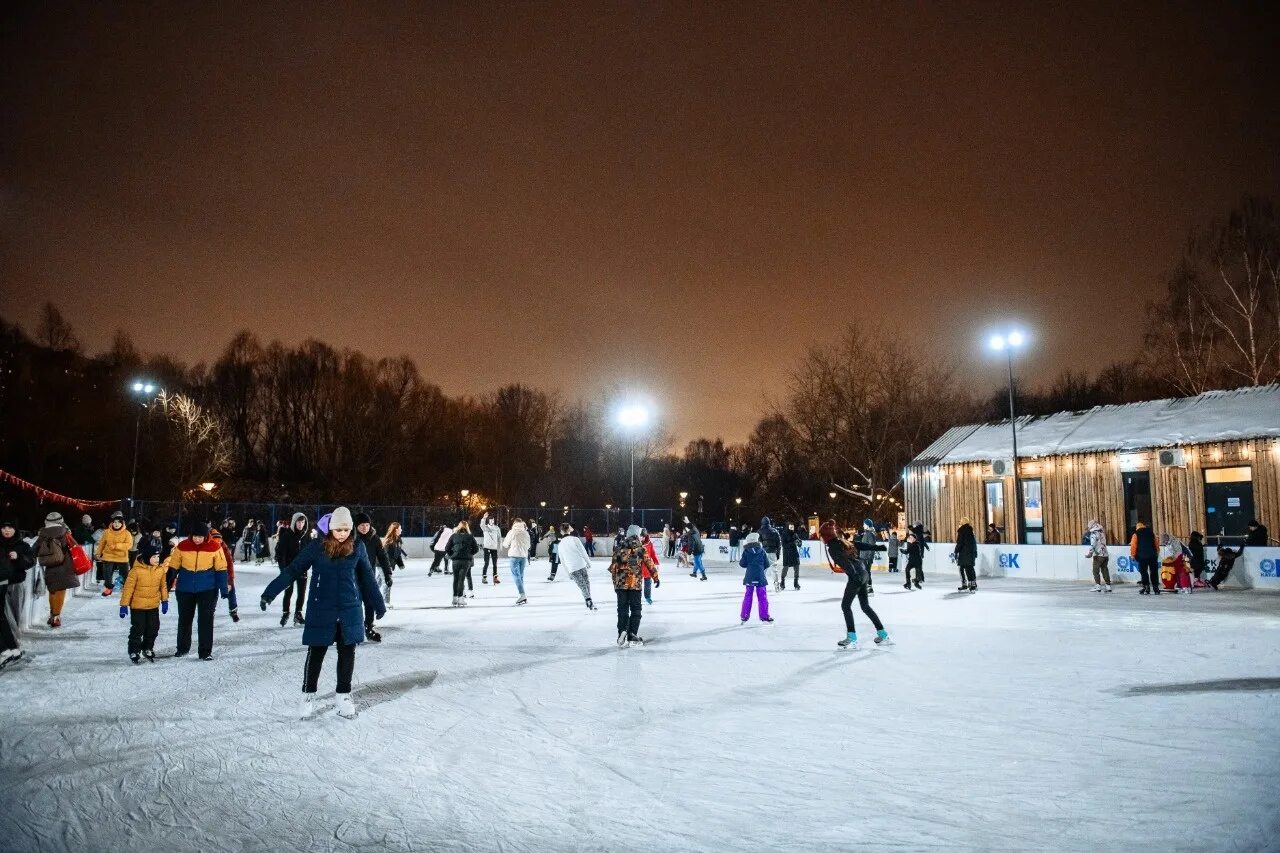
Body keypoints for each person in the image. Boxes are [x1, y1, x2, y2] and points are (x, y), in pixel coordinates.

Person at [260, 506, 385, 720]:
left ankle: (343, 695)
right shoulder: (317, 547)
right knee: (316, 652)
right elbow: (293, 569)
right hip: (321, 608)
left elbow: (367, 578)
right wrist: (270, 593)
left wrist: (379, 604)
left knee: (347, 653)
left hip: (349, 609)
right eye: (338, 529)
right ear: (330, 528)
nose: (343, 533)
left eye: (346, 529)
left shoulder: (358, 547)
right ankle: (308, 695)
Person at [819, 520, 890, 649]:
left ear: (825, 536)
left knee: (845, 606)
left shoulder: (833, 547)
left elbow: (845, 562)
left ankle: (851, 637)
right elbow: (859, 545)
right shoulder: (841, 541)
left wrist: (854, 575)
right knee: (865, 606)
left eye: (821, 536)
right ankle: (883, 634)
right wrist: (878, 547)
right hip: (863, 573)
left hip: (856, 576)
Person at [168, 519, 229, 660]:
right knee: (184, 619)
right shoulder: (182, 546)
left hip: (208, 589)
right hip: (185, 589)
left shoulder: (215, 547)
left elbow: (221, 568)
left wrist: (224, 588)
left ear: (206, 536)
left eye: (200, 536)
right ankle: (182, 648)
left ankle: (205, 651)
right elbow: (173, 567)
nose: (197, 539)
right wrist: (167, 585)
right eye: (195, 536)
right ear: (191, 535)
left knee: (205, 620)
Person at [119, 538, 169, 663]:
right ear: (147, 558)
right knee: (138, 629)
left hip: (153, 606)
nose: (157, 560)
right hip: (138, 606)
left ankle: (148, 647)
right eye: (154, 557)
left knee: (153, 628)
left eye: (158, 557)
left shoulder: (160, 571)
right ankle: (134, 650)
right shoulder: (135, 571)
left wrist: (165, 601)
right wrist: (124, 605)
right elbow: (128, 589)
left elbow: (163, 586)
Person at [610, 525, 656, 647]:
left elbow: (613, 567)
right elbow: (649, 563)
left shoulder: (619, 547)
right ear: (637, 534)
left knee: (622, 609)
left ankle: (622, 631)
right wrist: (655, 578)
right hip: (634, 584)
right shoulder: (640, 548)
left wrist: (615, 584)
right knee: (636, 609)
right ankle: (632, 635)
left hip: (621, 584)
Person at [35, 511, 79, 629]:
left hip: (50, 566)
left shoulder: (43, 533)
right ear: (61, 521)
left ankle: (52, 615)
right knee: (61, 590)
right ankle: (56, 616)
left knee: (53, 590)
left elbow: (35, 548)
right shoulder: (65, 531)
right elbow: (74, 545)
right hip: (65, 565)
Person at [0, 516, 34, 667]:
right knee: (3, 617)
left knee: (13, 616)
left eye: (10, 527)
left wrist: (18, 557)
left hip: (15, 585)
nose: (7, 530)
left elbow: (30, 562)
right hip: (2, 584)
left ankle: (12, 647)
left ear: (15, 529)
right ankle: (11, 648)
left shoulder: (22, 545)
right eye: (4, 527)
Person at [354, 513, 393, 636]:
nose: (365, 527)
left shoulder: (374, 538)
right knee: (355, 602)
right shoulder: (352, 538)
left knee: (369, 601)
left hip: (368, 575)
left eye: (367, 525)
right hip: (352, 575)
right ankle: (355, 624)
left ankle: (369, 624)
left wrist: (388, 574)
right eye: (361, 525)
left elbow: (383, 557)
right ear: (356, 526)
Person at [274, 513, 311, 626]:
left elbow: (309, 554)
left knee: (301, 593)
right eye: (299, 522)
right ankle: (285, 613)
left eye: (303, 522)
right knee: (288, 592)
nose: (301, 524)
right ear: (294, 522)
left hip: (301, 569)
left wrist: (306, 566)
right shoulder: (286, 535)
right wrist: (284, 569)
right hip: (289, 569)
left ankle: (298, 614)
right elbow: (281, 554)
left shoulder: (305, 536)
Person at [557, 523, 596, 610]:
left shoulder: (560, 544)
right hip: (581, 564)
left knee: (582, 585)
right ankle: (588, 599)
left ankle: (588, 599)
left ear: (562, 531)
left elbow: (562, 561)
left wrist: (568, 573)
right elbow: (583, 552)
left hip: (572, 568)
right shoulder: (575, 539)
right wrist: (588, 562)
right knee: (586, 583)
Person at [95, 510, 133, 596]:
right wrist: (98, 553)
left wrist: (117, 546)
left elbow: (129, 545)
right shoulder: (107, 532)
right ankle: (108, 588)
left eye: (118, 522)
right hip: (108, 556)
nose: (116, 524)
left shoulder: (127, 533)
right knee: (107, 574)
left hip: (122, 556)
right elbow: (102, 543)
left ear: (122, 524)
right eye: (114, 522)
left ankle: (127, 589)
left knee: (125, 574)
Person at [738, 532, 773, 624]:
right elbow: (767, 564)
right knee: (762, 597)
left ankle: (744, 616)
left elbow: (742, 564)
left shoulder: (746, 551)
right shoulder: (761, 551)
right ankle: (764, 616)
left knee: (748, 596)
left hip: (749, 577)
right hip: (760, 577)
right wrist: (759, 568)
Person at [209, 527, 240, 623]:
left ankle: (232, 610)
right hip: (214, 574)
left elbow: (229, 563)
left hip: (222, 573)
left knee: (228, 590)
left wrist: (230, 580)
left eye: (219, 541)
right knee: (214, 593)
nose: (218, 543)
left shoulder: (223, 546)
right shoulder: (213, 546)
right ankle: (232, 610)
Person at [448, 519, 478, 606]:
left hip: (455, 560)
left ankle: (455, 598)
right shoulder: (470, 536)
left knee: (456, 579)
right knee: (461, 579)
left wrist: (452, 555)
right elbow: (476, 549)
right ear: (467, 527)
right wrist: (469, 554)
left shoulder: (454, 536)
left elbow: (447, 548)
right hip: (465, 561)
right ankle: (460, 598)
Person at [502, 518, 532, 605]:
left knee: (516, 576)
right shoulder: (525, 532)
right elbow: (528, 545)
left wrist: (511, 545)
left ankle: (522, 594)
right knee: (520, 576)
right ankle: (521, 594)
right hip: (523, 557)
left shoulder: (512, 532)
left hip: (514, 556)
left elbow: (505, 544)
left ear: (514, 524)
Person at [1129, 521, 1160, 595]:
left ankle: (1146, 587)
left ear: (1137, 528)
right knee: (1154, 572)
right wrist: (1157, 552)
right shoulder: (1151, 533)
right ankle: (1156, 588)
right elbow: (1156, 543)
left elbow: (1133, 546)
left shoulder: (1136, 534)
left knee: (1144, 572)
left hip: (1142, 556)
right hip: (1152, 556)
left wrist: (1132, 555)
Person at [1084, 519, 1112, 592]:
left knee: (1095, 571)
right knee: (1105, 570)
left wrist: (1090, 553)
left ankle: (1098, 586)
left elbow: (1093, 544)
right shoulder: (1102, 532)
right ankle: (1108, 586)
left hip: (1098, 555)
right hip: (1105, 555)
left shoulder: (1093, 533)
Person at [954, 517, 978, 592]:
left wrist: (956, 551)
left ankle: (965, 585)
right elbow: (974, 543)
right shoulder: (971, 531)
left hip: (964, 554)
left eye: (960, 523)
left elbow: (960, 543)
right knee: (970, 568)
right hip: (971, 553)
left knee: (962, 569)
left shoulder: (962, 531)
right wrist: (975, 552)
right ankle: (973, 584)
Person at [480, 513, 502, 583]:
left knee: (495, 564)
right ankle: (484, 577)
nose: (492, 521)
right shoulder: (485, 528)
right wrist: (484, 518)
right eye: (491, 520)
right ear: (488, 521)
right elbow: (481, 525)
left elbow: (499, 538)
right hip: (487, 548)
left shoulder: (497, 528)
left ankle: (495, 577)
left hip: (494, 548)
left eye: (493, 520)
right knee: (486, 563)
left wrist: (500, 546)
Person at [780, 521, 802, 591]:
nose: (792, 528)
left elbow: (799, 544)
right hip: (787, 554)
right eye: (790, 527)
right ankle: (782, 582)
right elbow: (784, 545)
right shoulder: (784, 534)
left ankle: (796, 583)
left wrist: (799, 542)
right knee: (785, 568)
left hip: (794, 553)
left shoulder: (795, 534)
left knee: (797, 568)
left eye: (793, 527)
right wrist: (793, 543)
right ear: (787, 527)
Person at [759, 517, 782, 582]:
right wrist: (778, 554)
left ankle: (761, 585)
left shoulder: (760, 531)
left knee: (763, 569)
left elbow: (758, 543)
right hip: (772, 552)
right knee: (774, 570)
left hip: (764, 553)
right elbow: (779, 544)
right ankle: (776, 585)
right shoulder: (775, 531)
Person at [641, 529, 660, 605]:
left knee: (648, 582)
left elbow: (653, 554)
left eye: (642, 536)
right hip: (637, 566)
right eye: (640, 536)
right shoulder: (635, 543)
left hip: (646, 566)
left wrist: (656, 562)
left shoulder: (649, 544)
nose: (641, 538)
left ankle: (648, 597)